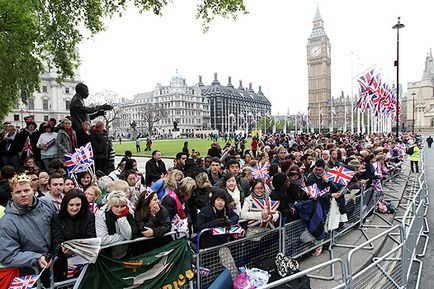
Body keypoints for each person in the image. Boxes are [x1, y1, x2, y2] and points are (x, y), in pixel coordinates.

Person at [0, 174, 55, 286]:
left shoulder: (47, 204)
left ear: (33, 190)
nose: (23, 194)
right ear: (12, 195)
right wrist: (36, 258)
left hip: (55, 266)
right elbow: (8, 255)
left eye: (26, 190)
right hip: (31, 273)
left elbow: (59, 229)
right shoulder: (7, 222)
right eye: (18, 192)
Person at [51, 189, 96, 281]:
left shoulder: (89, 215)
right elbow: (56, 238)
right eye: (71, 205)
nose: (75, 208)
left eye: (78, 205)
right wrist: (61, 248)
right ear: (65, 204)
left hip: (85, 259)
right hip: (65, 262)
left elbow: (91, 235)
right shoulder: (58, 218)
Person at [95, 192, 138, 258]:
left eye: (122, 206)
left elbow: (129, 235)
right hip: (107, 255)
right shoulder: (101, 215)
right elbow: (103, 239)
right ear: (111, 206)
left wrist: (121, 217)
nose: (119, 210)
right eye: (116, 206)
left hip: (125, 252)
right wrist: (124, 236)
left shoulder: (129, 212)